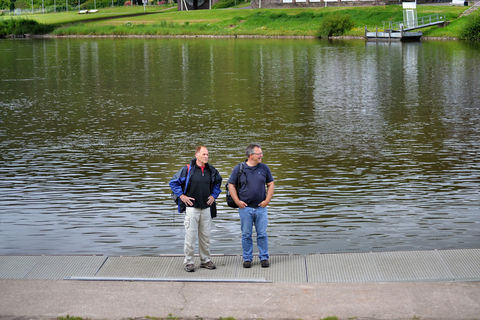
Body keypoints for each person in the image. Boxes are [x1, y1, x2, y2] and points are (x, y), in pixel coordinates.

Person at [169, 146, 222, 272]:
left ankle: (205, 260)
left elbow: (218, 183)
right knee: (190, 237)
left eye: (207, 154)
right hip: (191, 208)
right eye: (204, 154)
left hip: (206, 208)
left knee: (205, 237)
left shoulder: (211, 170)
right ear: (197, 155)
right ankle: (189, 262)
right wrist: (182, 196)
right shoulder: (187, 169)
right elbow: (173, 182)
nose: (206, 156)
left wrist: (214, 195)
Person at [228, 144, 274, 268]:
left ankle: (264, 257)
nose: (261, 156)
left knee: (262, 234)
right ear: (251, 155)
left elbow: (271, 184)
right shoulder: (239, 168)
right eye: (259, 154)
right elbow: (230, 185)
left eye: (261, 153)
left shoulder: (264, 168)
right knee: (246, 234)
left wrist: (267, 200)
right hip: (245, 208)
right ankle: (247, 259)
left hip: (261, 208)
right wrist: (237, 201)